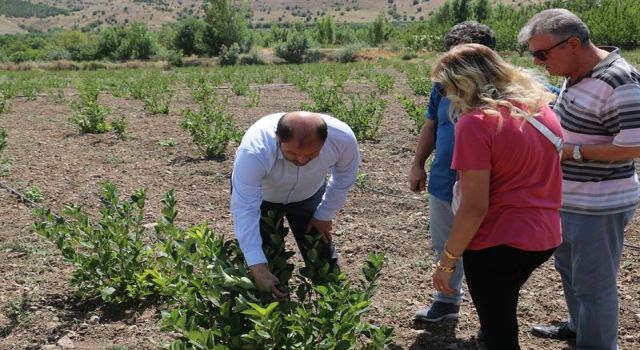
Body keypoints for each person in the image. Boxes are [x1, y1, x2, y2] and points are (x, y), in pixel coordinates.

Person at [518, 9, 640, 349]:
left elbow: (635, 145)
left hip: (597, 204)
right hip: (569, 198)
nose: (539, 62)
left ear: (572, 43)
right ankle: (578, 327)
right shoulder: (577, 73)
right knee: (570, 272)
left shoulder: (619, 80)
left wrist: (572, 153)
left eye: (542, 54)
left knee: (594, 285)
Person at [430, 43, 563, 349]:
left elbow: (475, 206)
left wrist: (447, 262)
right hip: (544, 235)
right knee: (499, 311)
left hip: (498, 242)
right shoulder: (539, 110)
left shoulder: (476, 124)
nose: (447, 94)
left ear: (462, 83)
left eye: (448, 86)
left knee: (500, 333)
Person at [409, 20, 497, 323]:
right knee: (444, 243)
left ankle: (494, 318)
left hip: (489, 185)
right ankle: (447, 301)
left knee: (489, 253)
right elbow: (431, 124)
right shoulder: (441, 86)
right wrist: (418, 163)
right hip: (445, 179)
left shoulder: (507, 90)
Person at [230, 111, 360, 298]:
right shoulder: (255, 150)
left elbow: (344, 178)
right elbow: (245, 208)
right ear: (277, 138)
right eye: (291, 153)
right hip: (264, 198)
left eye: (311, 154)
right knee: (267, 258)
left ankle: (335, 305)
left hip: (309, 193)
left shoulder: (342, 138)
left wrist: (324, 214)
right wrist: (257, 267)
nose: (301, 160)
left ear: (325, 141)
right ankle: (274, 308)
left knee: (320, 253)